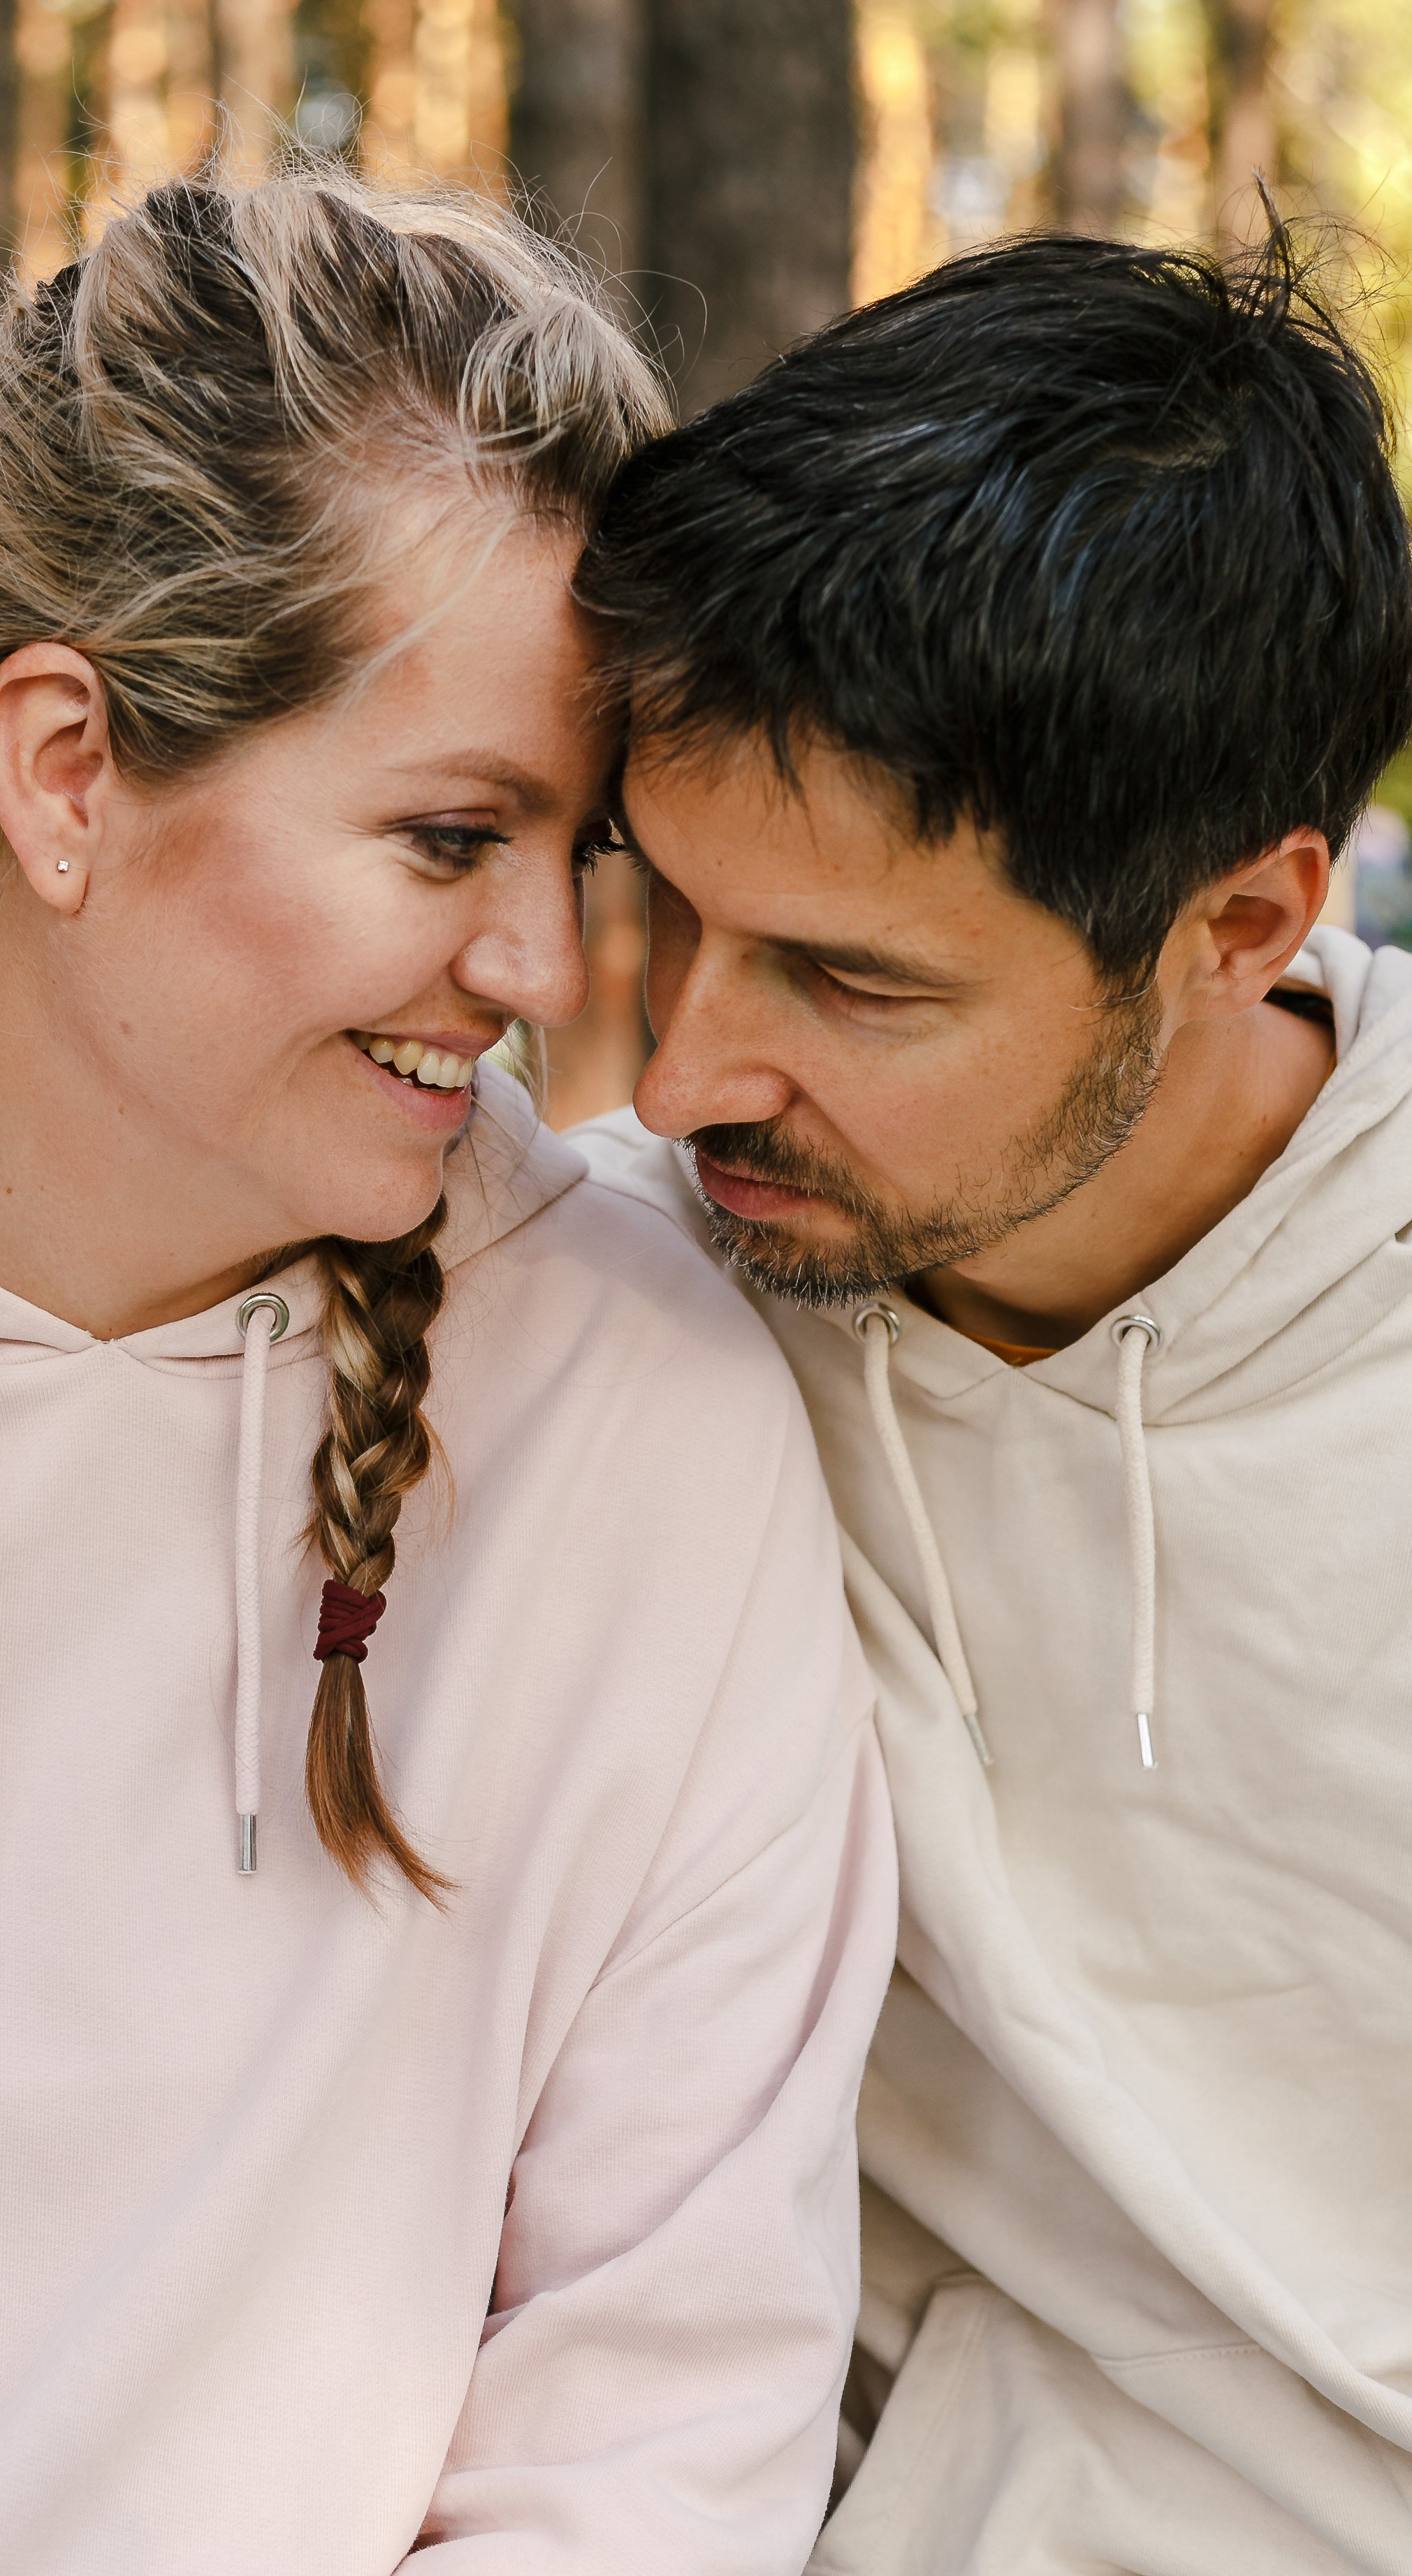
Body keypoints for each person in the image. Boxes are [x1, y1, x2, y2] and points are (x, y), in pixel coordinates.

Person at [0, 174, 897, 2573]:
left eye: (573, 855)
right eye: (450, 839)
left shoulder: (637, 1420)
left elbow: (651, 2431)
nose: (544, 969)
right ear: (66, 770)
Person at [576, 224, 1412, 2572]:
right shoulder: (604, 1306)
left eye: (849, 984)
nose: (676, 1074)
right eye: (665, 907)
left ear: (1240, 927)